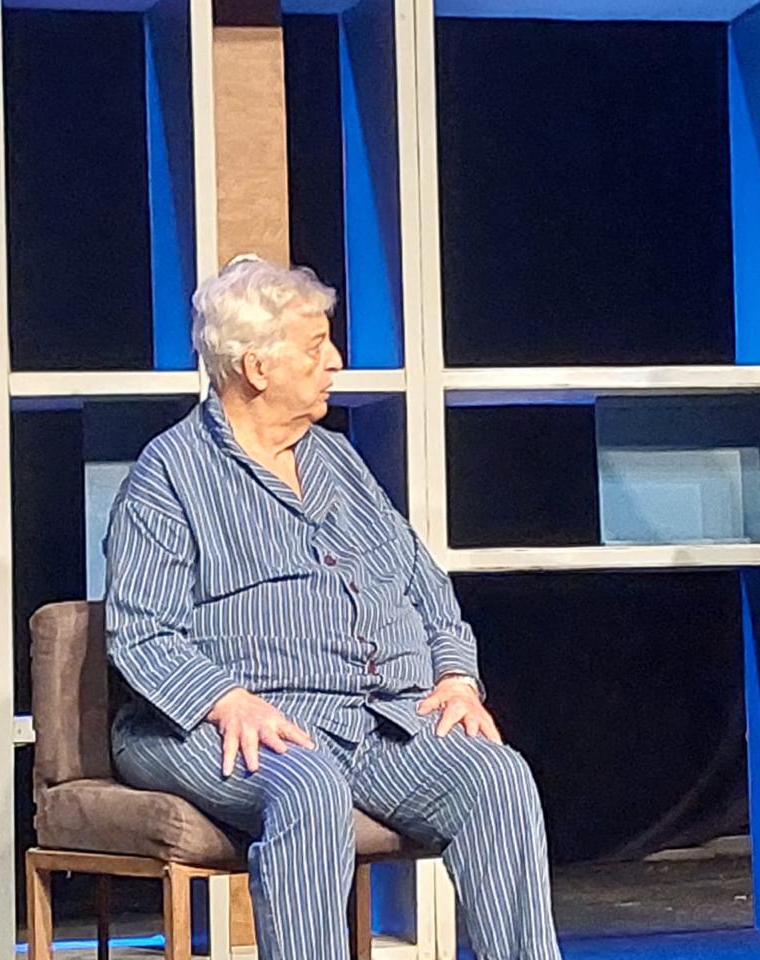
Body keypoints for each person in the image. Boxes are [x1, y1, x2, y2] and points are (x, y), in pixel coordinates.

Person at [103, 256, 563, 960]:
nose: (336, 361)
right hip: (225, 726)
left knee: (495, 778)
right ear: (257, 367)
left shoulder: (337, 461)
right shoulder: (169, 476)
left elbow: (424, 584)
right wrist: (227, 699)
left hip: (373, 721)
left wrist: (455, 676)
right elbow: (141, 631)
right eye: (315, 347)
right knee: (307, 786)